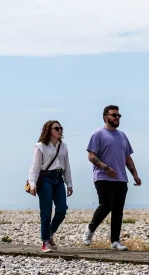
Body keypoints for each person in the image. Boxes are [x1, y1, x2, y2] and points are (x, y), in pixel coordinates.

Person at [82, 105, 142, 250]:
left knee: (118, 209)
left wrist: (135, 174)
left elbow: (127, 158)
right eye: (114, 115)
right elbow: (91, 156)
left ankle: (115, 241)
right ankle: (89, 230)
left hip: (121, 178)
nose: (117, 117)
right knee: (106, 205)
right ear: (105, 117)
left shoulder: (122, 136)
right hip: (103, 176)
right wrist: (106, 168)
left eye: (118, 115)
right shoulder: (98, 134)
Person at [27, 120, 73, 252]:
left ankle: (50, 233)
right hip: (45, 178)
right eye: (56, 128)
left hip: (58, 179)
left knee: (62, 209)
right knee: (46, 212)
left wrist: (69, 183)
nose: (60, 130)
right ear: (49, 130)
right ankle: (45, 242)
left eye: (61, 128)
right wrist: (32, 184)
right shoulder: (40, 146)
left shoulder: (63, 146)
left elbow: (67, 166)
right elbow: (35, 167)